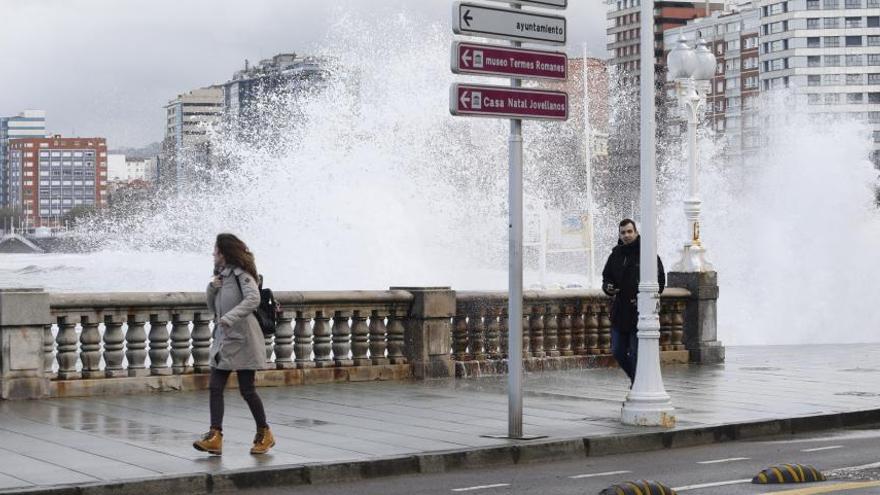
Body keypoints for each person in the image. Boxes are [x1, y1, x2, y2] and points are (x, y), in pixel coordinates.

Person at [193, 233, 275, 456]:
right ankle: (215, 436)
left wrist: (230, 317)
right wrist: (212, 288)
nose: (213, 254)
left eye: (216, 250)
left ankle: (264, 433)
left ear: (224, 252)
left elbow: (253, 299)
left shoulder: (242, 274)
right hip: (226, 339)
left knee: (247, 390)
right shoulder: (222, 276)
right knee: (215, 385)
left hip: (244, 339)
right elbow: (213, 309)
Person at [601, 219, 665, 386]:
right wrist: (608, 287)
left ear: (636, 232)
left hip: (639, 313)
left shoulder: (647, 254)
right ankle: (637, 382)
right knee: (617, 351)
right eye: (623, 233)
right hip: (620, 312)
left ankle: (638, 386)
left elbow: (660, 280)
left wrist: (645, 299)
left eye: (629, 232)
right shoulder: (616, 254)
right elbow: (607, 277)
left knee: (637, 353)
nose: (626, 235)